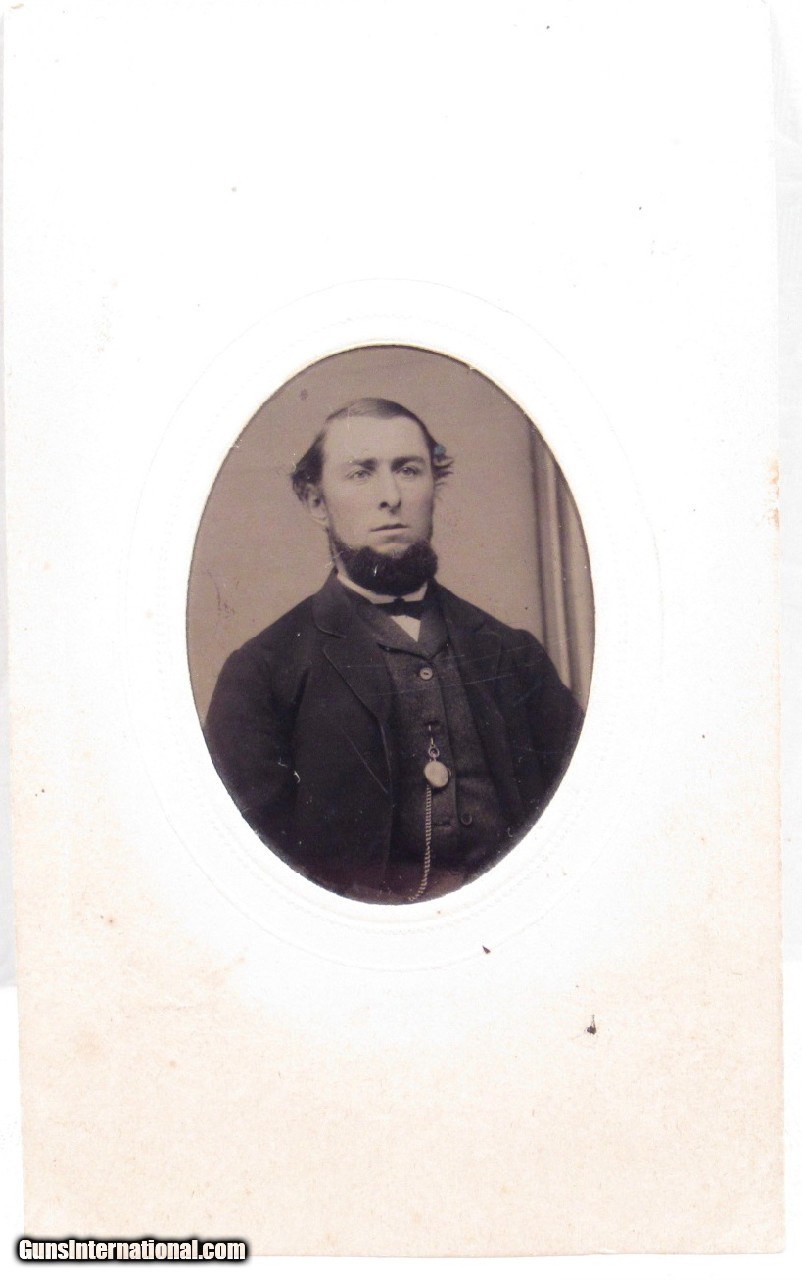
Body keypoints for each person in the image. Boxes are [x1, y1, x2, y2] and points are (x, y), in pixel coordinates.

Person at [204, 398, 583, 903]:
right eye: (361, 474)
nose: (391, 497)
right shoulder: (261, 673)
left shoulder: (513, 655)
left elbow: (584, 812)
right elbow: (248, 871)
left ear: (433, 486)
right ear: (317, 503)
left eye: (408, 470)